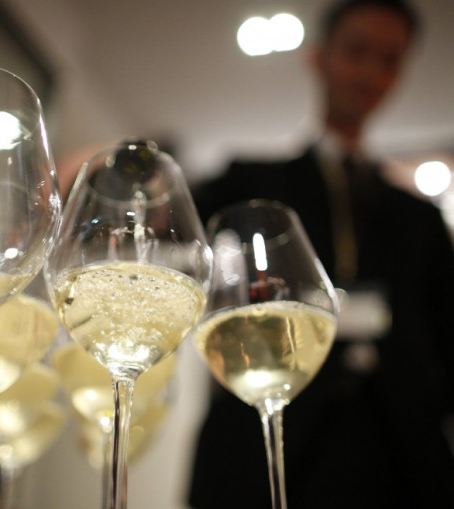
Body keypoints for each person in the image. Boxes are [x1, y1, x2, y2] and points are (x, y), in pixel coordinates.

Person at [188, 0, 454, 507]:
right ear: (319, 57)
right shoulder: (251, 181)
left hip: (400, 453)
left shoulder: (419, 217)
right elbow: (176, 231)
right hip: (269, 436)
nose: (371, 71)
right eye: (356, 50)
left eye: (390, 59)